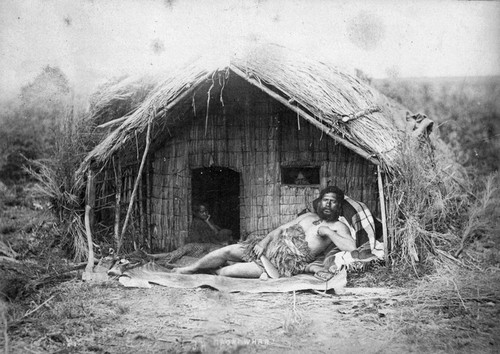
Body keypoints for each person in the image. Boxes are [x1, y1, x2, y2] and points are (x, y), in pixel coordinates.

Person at [174, 186, 355, 278]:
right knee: (226, 251)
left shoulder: (338, 227)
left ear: (339, 205)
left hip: (282, 263)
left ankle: (218, 270)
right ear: (320, 202)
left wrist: (328, 232)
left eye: (333, 201)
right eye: (325, 200)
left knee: (227, 273)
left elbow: (352, 247)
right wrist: (263, 242)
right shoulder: (308, 216)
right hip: (267, 248)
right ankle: (191, 268)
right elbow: (279, 229)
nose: (328, 204)